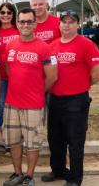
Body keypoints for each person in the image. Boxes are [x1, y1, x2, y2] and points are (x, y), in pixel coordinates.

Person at [41, 10, 99, 186]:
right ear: (59, 25)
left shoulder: (86, 44)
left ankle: (75, 178)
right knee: (55, 139)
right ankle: (58, 170)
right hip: (55, 99)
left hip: (76, 100)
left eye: (71, 21)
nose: (66, 25)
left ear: (78, 24)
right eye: (63, 21)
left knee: (75, 141)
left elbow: (96, 72)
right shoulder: (52, 45)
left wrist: (81, 85)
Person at [2, 8, 57, 186]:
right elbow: (9, 71)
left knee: (32, 143)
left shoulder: (44, 47)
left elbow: (52, 77)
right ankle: (17, 173)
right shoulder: (11, 45)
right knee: (13, 141)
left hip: (34, 104)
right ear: (17, 23)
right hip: (11, 102)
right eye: (22, 21)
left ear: (35, 24)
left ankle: (29, 176)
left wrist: (37, 91)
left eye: (29, 21)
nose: (25, 25)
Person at [0, 2, 19, 148]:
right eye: (2, 12)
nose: (5, 15)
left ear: (13, 15)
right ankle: (4, 136)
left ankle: (17, 136)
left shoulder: (18, 30)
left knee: (16, 106)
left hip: (17, 76)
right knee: (1, 105)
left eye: (9, 13)